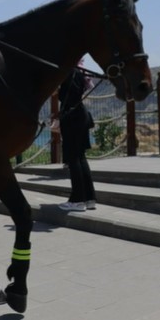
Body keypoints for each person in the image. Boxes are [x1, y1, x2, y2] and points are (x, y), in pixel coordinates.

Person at [55, 64, 98, 212]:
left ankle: (78, 200)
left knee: (73, 158)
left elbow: (67, 95)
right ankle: (89, 198)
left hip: (72, 118)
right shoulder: (79, 72)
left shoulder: (68, 71)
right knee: (81, 157)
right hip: (82, 116)